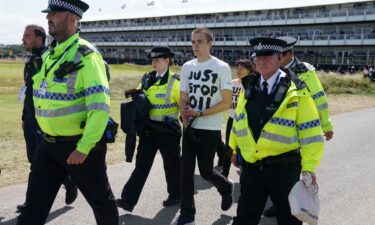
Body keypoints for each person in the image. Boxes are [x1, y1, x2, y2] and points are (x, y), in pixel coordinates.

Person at [17, 1, 118, 224]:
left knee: (101, 202)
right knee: (34, 205)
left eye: (54, 13)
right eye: (48, 13)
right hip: (48, 145)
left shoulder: (87, 56)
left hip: (79, 147)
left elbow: (100, 107)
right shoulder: (50, 54)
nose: (48, 18)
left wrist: (83, 148)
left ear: (73, 18)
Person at [230, 37, 324, 225]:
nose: (262, 61)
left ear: (279, 58)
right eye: (258, 57)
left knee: (289, 220)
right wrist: (234, 148)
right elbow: (239, 121)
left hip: (284, 168)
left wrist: (309, 167)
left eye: (268, 56)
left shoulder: (297, 89)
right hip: (252, 166)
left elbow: (310, 131)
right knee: (244, 219)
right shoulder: (248, 86)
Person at [262, 35, 334, 218]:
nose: (276, 58)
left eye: (281, 55)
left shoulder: (306, 71)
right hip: (278, 128)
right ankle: (280, 203)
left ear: (290, 53)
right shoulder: (271, 70)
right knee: (275, 167)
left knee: (293, 168)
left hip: (301, 126)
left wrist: (326, 124)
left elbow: (319, 98)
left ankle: (291, 206)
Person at [171, 27, 234, 225]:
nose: (195, 45)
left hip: (210, 127)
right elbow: (183, 96)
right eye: (193, 42)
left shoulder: (221, 67)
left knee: (206, 171)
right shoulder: (188, 66)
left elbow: (225, 102)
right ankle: (187, 215)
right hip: (190, 126)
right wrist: (185, 115)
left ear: (210, 44)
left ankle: (225, 187)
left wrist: (200, 113)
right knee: (186, 172)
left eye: (200, 41)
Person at [17, 24, 78, 213]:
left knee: (39, 164)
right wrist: (24, 117)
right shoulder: (30, 61)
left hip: (46, 121)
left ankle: (31, 204)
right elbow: (29, 92)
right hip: (31, 119)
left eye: (27, 35)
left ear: (39, 39)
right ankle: (69, 180)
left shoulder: (49, 59)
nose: (23, 39)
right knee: (33, 161)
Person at [116, 46, 181, 212]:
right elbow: (140, 98)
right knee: (141, 166)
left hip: (168, 132)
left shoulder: (176, 82)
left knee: (171, 166)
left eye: (158, 59)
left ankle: (175, 195)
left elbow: (183, 109)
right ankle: (128, 201)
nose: (154, 63)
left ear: (167, 60)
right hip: (148, 131)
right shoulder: (146, 78)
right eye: (152, 60)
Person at [219, 59, 255, 178]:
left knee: (244, 145)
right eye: (237, 68)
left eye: (242, 68)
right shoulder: (232, 83)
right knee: (229, 146)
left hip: (245, 121)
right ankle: (225, 172)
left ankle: (246, 171)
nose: (238, 71)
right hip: (231, 118)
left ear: (249, 70)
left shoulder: (251, 85)